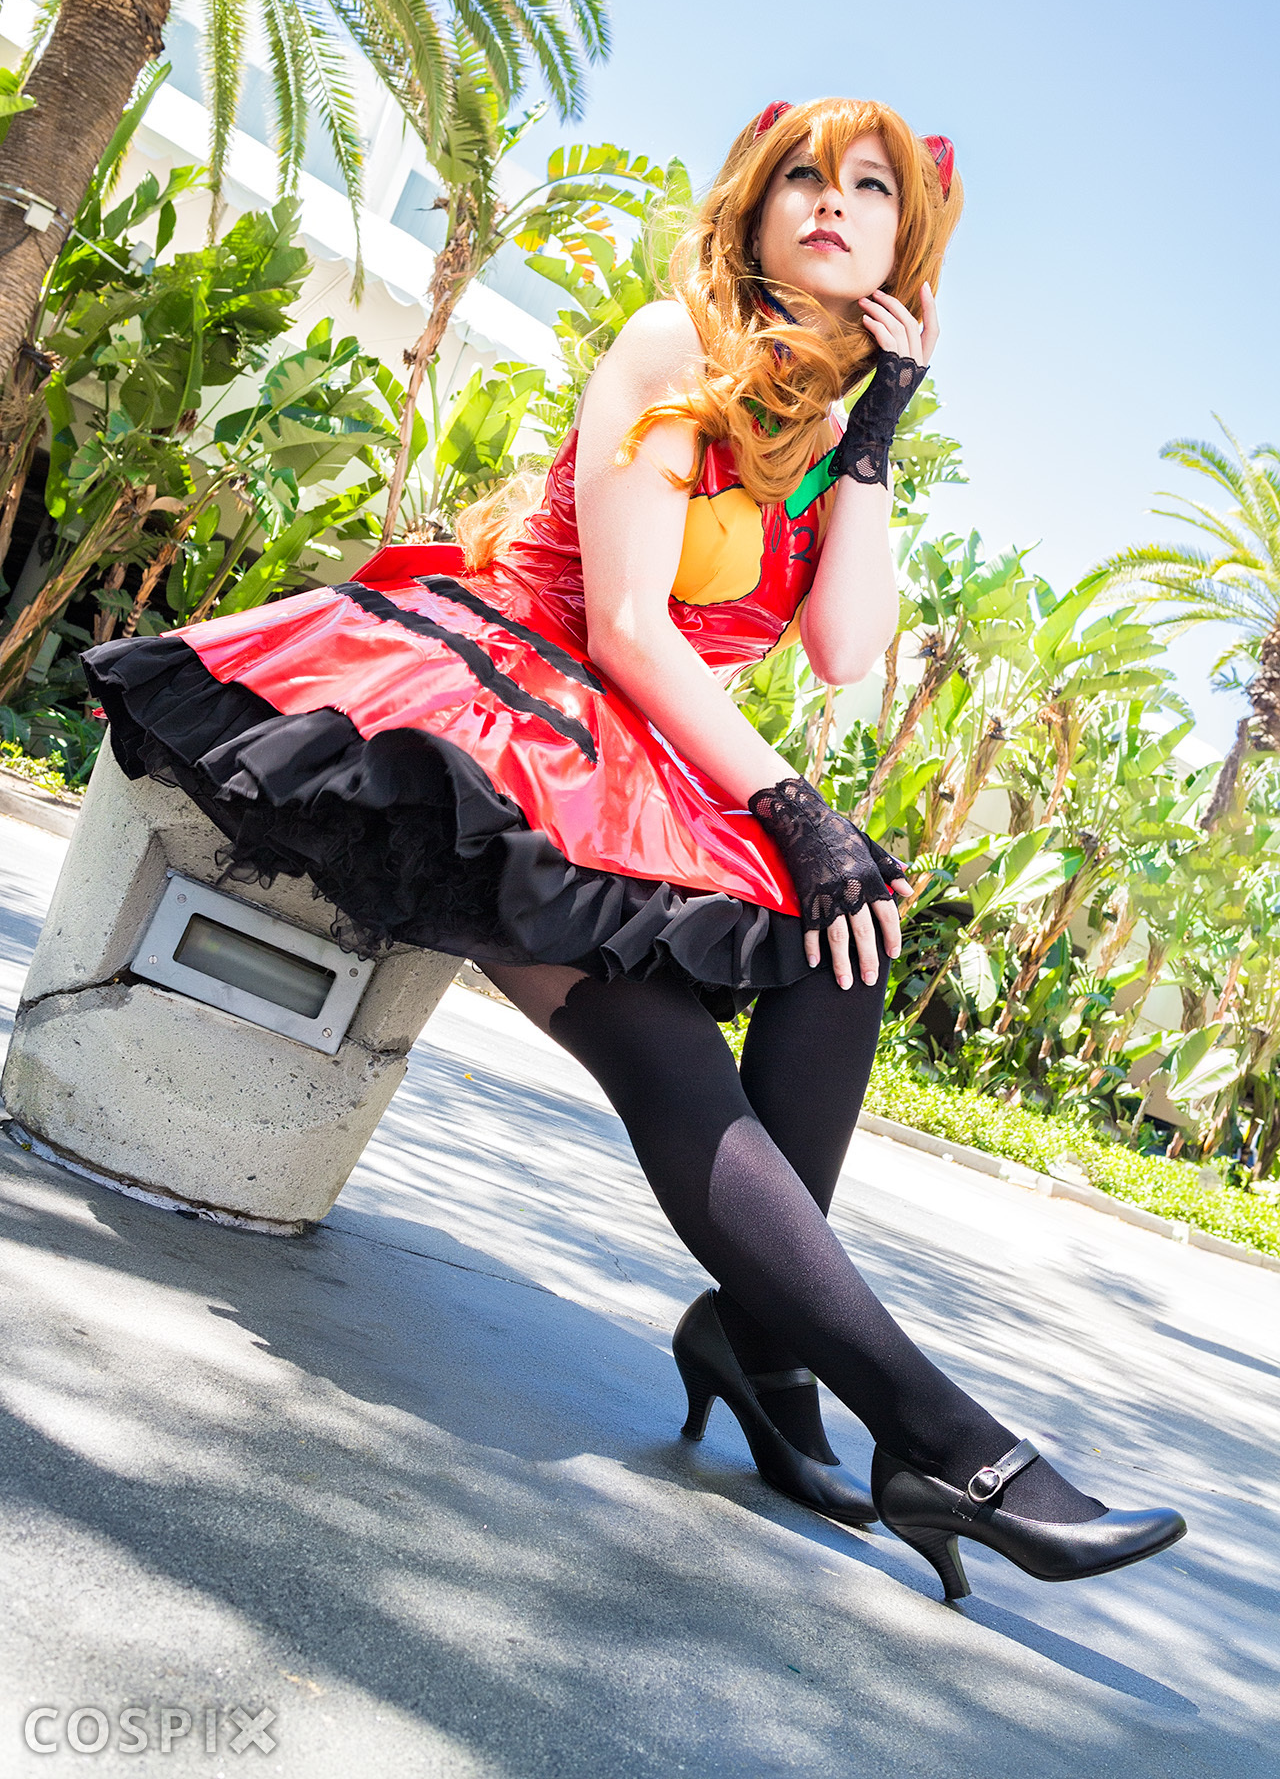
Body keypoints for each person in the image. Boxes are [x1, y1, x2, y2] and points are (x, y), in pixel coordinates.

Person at [84, 96, 1186, 1601]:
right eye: (805, 175)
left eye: (872, 188)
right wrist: (793, 809)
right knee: (677, 1051)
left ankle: (757, 1338)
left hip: (634, 759)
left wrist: (876, 432)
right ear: (757, 205)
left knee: (849, 944)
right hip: (505, 715)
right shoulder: (675, 346)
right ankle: (946, 1442)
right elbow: (623, 626)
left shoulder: (825, 432)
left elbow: (846, 649)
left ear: (906, 247)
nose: (834, 202)